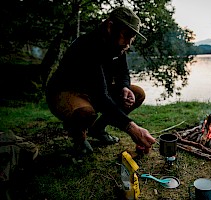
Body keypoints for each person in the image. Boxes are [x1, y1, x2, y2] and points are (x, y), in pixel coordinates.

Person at [45, 6, 156, 156]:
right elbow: (100, 96)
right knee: (86, 112)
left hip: (94, 91)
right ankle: (79, 139)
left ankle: (97, 130)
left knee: (137, 93)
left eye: (132, 38)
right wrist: (133, 129)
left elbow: (123, 72)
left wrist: (124, 87)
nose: (128, 44)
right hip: (64, 92)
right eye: (126, 35)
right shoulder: (87, 46)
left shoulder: (118, 45)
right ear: (110, 27)